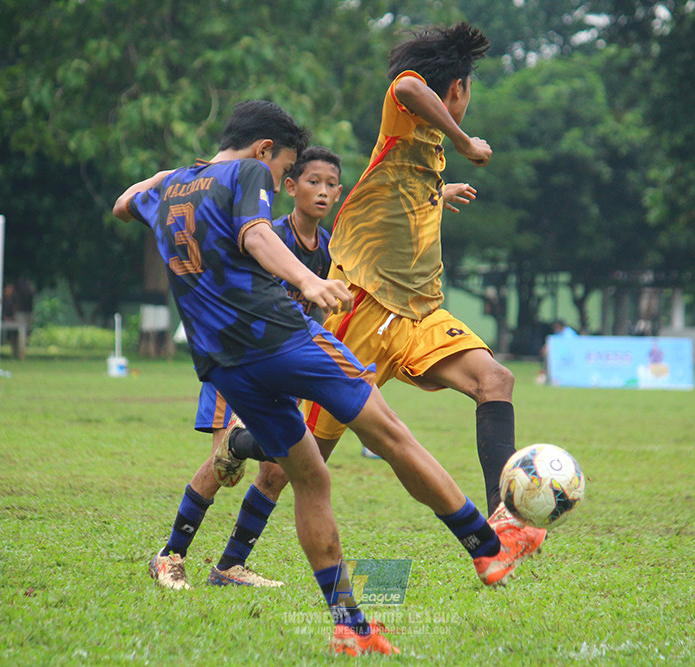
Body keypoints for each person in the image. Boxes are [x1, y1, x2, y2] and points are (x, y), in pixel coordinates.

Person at [113, 100, 545, 656]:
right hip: (281, 338)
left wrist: (168, 178)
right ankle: (487, 547)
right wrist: (307, 283)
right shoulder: (247, 171)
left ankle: (350, 625)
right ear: (265, 150)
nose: (281, 183)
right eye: (284, 171)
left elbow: (126, 204)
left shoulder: (172, 187)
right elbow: (255, 236)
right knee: (389, 432)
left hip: (225, 363)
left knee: (311, 478)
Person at [300, 22, 518, 518]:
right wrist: (465, 141)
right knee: (302, 458)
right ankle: (235, 546)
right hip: (364, 312)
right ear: (458, 88)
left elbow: (399, 200)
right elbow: (407, 84)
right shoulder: (405, 116)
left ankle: (505, 516)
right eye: (469, 90)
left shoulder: (429, 152)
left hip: (419, 316)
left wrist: (440, 194)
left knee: (495, 380)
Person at [150, 146, 342, 591]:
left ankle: (230, 566)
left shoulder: (329, 249)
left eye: (332, 184)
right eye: (313, 181)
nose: (323, 192)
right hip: (239, 363)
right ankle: (170, 555)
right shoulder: (266, 236)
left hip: (281, 368)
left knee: (278, 470)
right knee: (226, 466)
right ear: (290, 187)